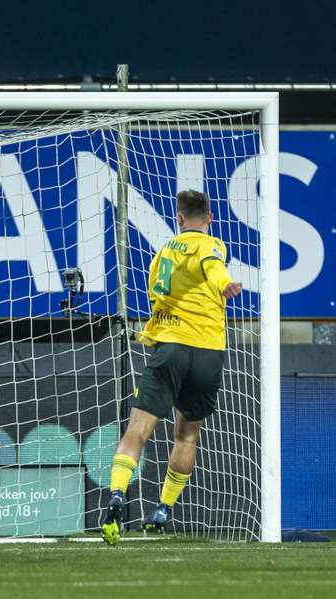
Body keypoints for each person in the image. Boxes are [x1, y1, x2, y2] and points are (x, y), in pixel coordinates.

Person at [100, 190, 243, 545]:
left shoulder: (162, 252)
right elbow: (214, 267)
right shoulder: (212, 244)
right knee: (187, 435)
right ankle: (163, 509)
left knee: (137, 432)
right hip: (209, 351)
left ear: (178, 219)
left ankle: (117, 495)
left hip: (172, 348)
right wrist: (226, 285)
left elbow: (165, 294)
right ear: (209, 219)